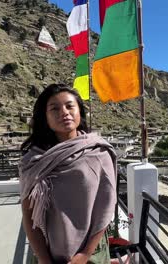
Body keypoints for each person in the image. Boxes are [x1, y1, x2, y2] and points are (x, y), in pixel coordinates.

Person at [20, 84, 117, 264]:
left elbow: (105, 209)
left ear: (79, 111)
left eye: (69, 106)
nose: (64, 112)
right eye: (54, 108)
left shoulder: (98, 153)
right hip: (47, 253)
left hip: (92, 254)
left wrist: (86, 254)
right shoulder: (33, 162)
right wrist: (44, 259)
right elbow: (29, 215)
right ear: (45, 117)